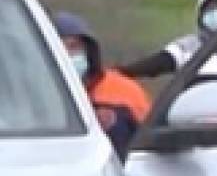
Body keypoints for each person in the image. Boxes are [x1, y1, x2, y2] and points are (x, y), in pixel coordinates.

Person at [54, 12, 151, 158]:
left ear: (88, 51)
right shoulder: (28, 96)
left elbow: (150, 144)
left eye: (73, 47)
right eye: (59, 48)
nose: (67, 55)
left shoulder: (126, 90)